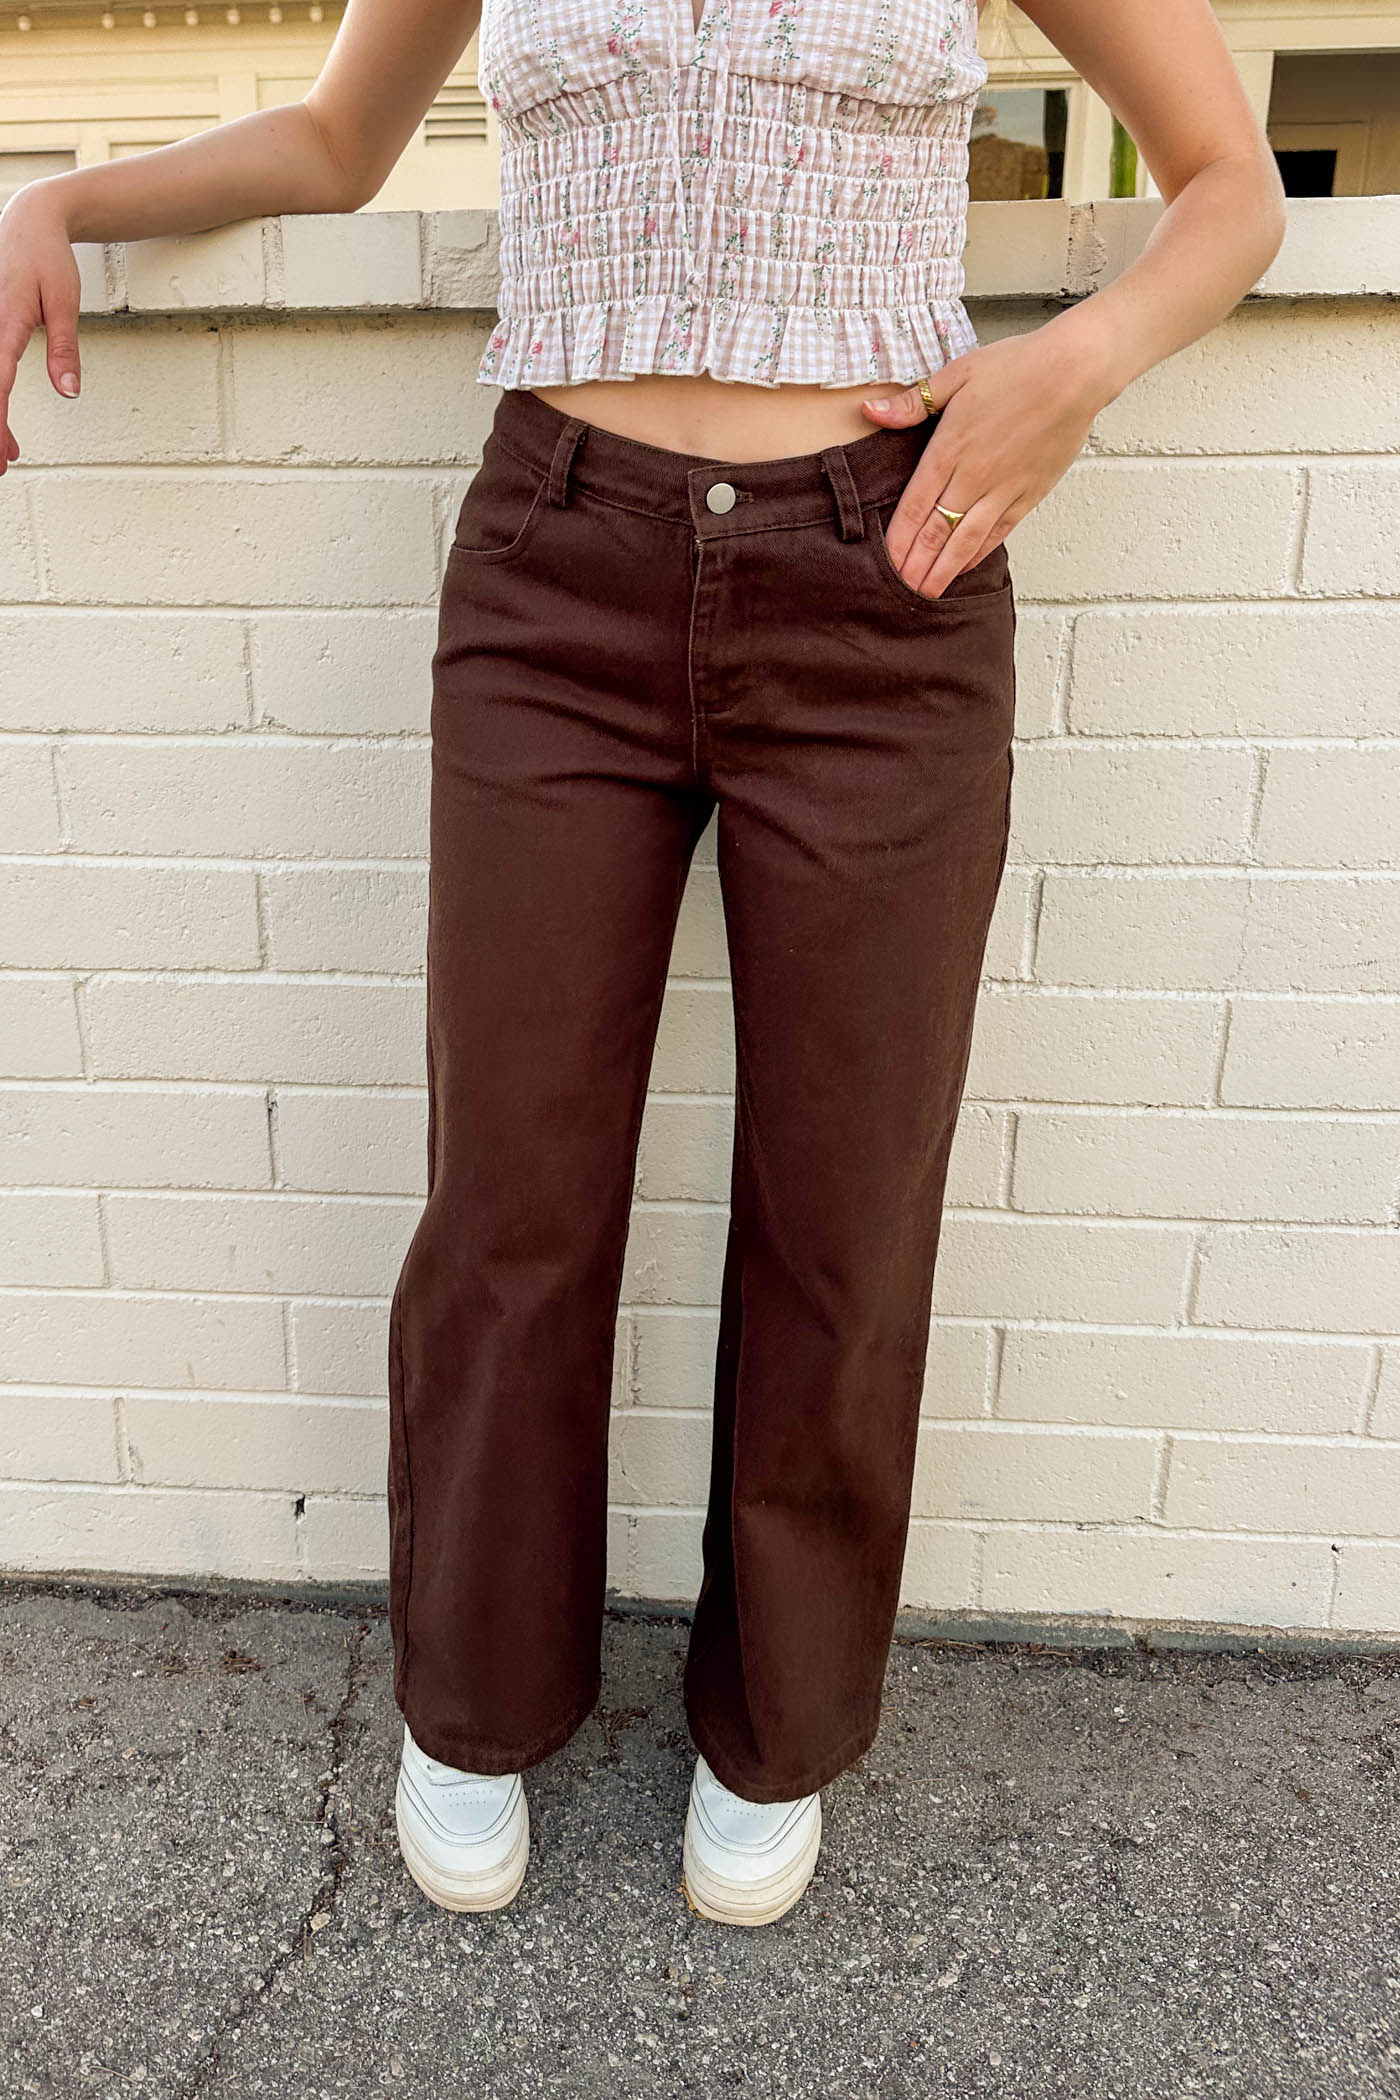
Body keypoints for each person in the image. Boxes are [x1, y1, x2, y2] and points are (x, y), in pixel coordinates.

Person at [0, 0, 1286, 1927]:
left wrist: (1075, 368)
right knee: (512, 1187)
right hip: (557, 570)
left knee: (843, 1202)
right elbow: (342, 142)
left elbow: (1234, 187)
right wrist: (67, 192)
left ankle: (774, 1725)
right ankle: (476, 1689)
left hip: (890, 580)